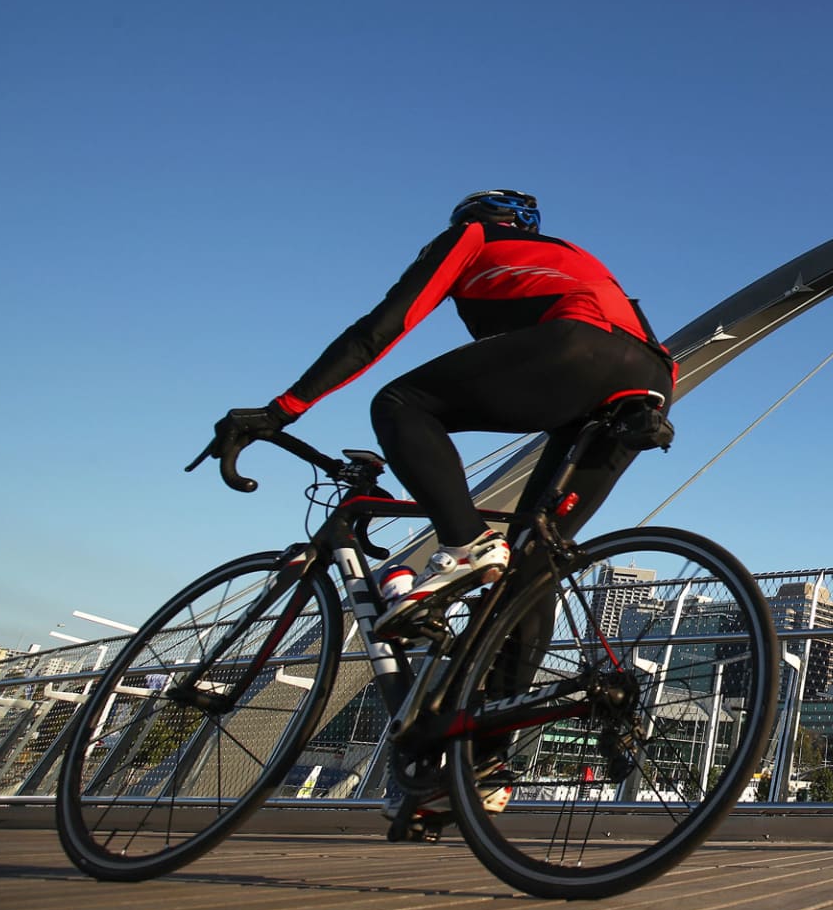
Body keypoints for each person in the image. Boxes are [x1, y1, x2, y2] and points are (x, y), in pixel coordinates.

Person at [211, 189, 676, 630]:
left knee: (401, 404)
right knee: (532, 564)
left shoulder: (473, 236)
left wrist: (283, 410)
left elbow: (379, 329)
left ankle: (465, 543)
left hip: (580, 347)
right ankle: (493, 689)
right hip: (652, 381)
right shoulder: (570, 255)